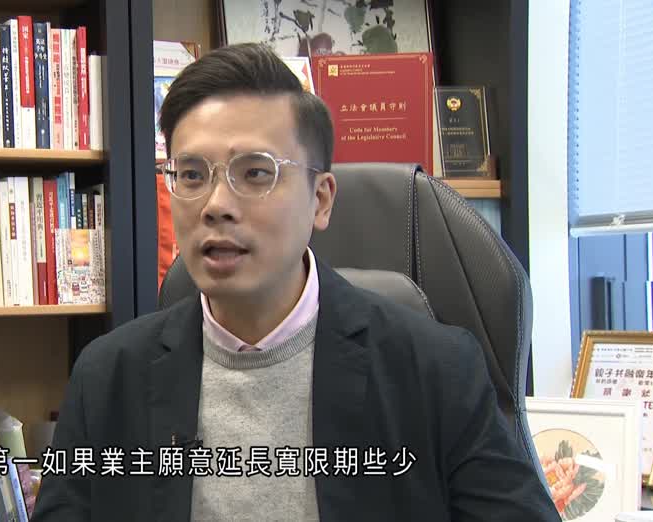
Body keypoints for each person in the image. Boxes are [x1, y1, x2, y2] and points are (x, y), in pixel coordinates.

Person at [30, 43, 559, 521]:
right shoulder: (108, 376)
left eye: (255, 173)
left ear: (321, 200)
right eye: (191, 174)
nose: (216, 205)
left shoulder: (436, 369)